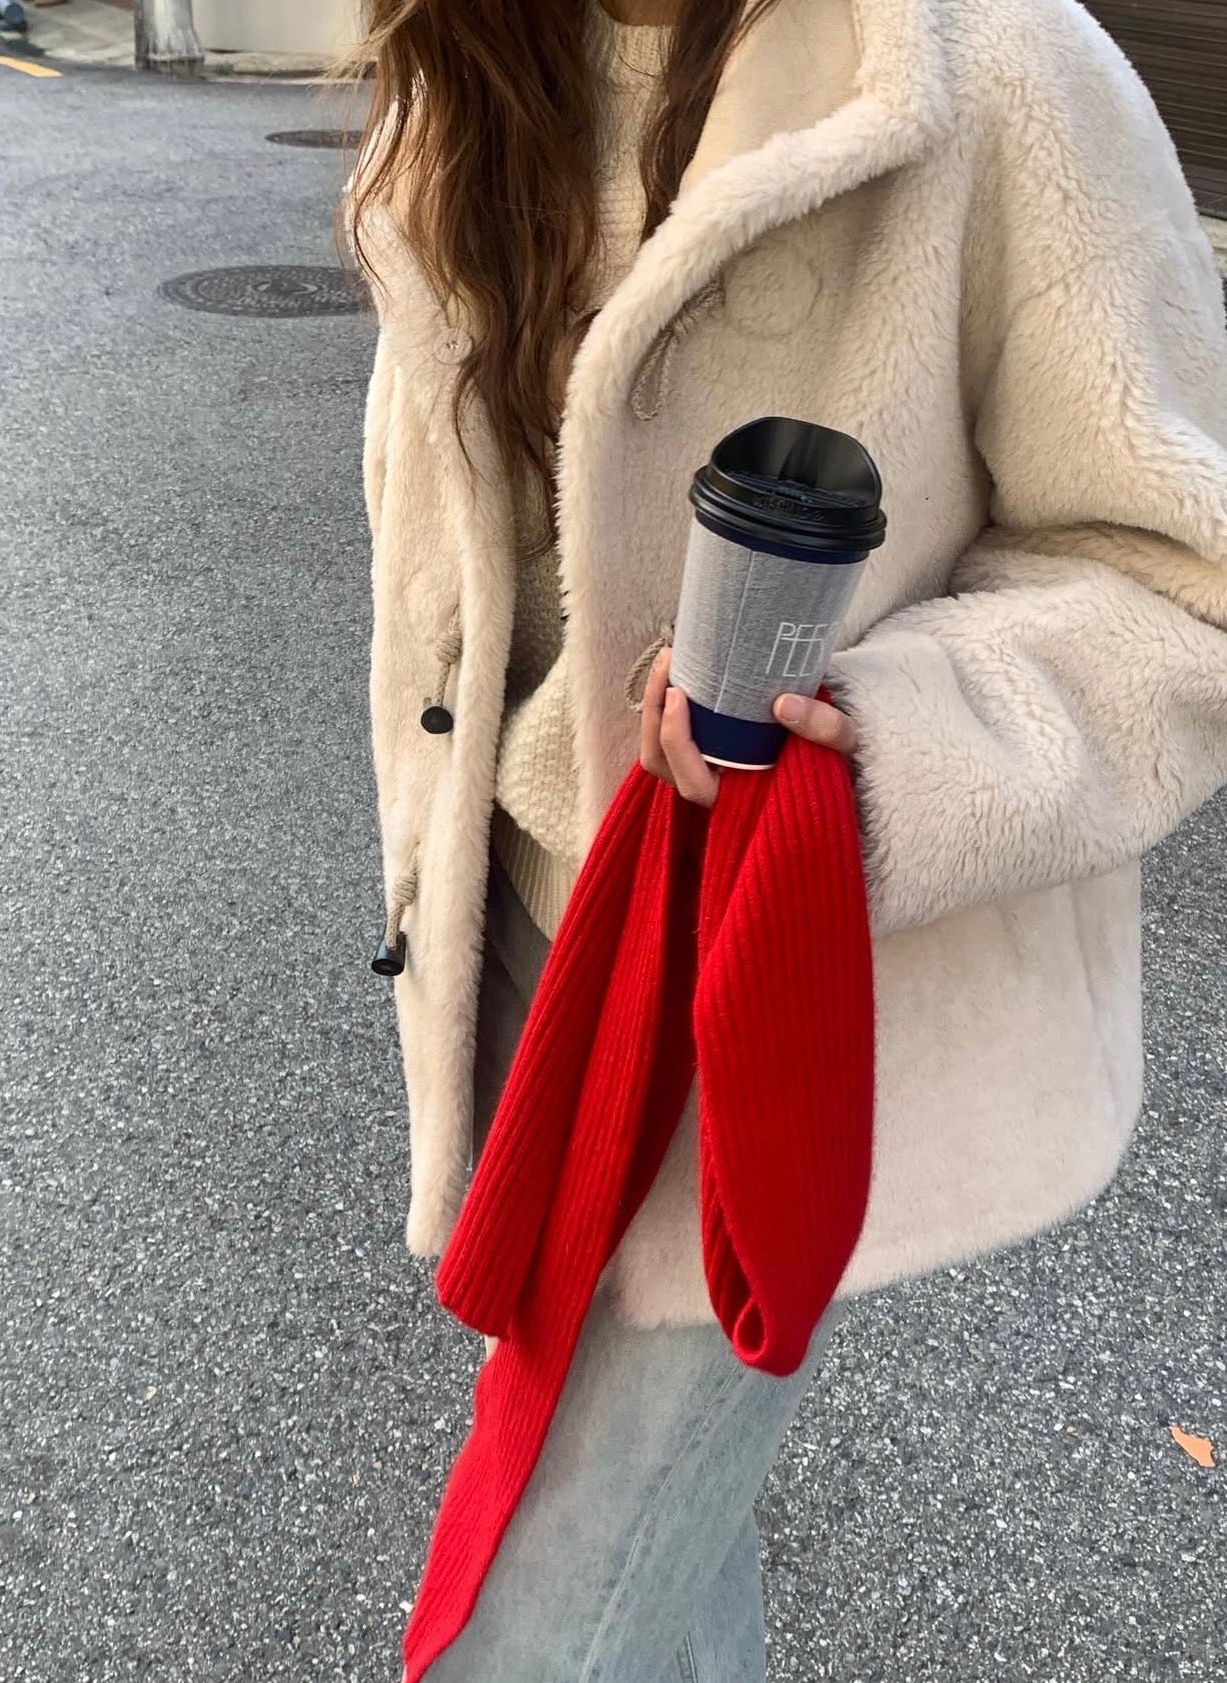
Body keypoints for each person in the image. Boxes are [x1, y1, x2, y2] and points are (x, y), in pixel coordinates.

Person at [342, 0, 1227, 1677]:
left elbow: (1179, 576)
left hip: (764, 991)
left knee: (537, 1633)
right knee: (662, 1582)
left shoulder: (986, 63)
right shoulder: (466, 60)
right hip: (517, 944)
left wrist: (871, 753)